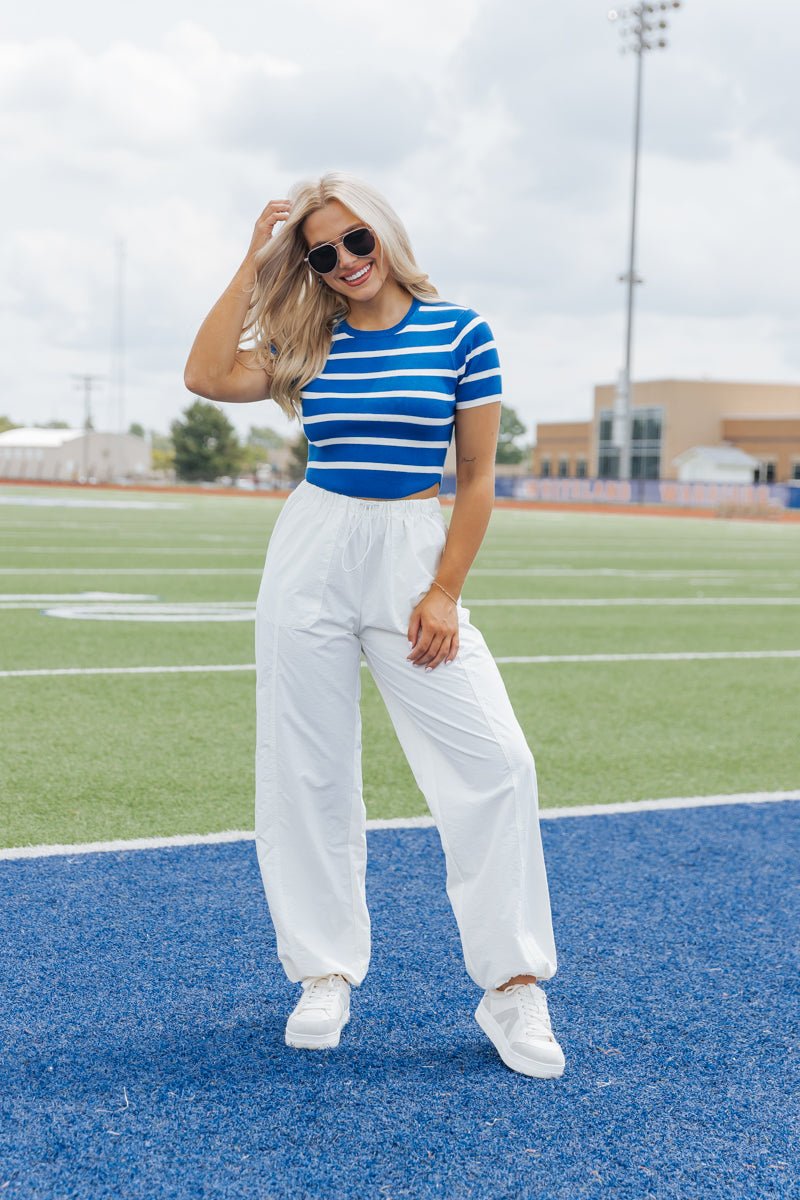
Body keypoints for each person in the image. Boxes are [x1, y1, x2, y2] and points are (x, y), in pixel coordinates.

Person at [184, 172, 565, 1080]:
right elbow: (204, 375)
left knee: (497, 764)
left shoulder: (460, 331)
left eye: (358, 240)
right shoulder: (306, 341)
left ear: (386, 234)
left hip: (412, 555)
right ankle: (322, 972)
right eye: (323, 252)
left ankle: (512, 986)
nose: (347, 262)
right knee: (305, 765)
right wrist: (253, 258)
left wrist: (442, 593)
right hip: (313, 549)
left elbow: (475, 478)